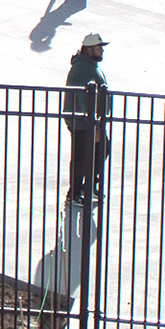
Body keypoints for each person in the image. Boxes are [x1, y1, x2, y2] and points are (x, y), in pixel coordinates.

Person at [64, 33, 111, 207]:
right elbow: (85, 98)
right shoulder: (83, 69)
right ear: (89, 49)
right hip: (84, 123)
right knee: (82, 157)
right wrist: (94, 125)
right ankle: (75, 193)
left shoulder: (90, 65)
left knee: (100, 150)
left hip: (89, 122)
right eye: (99, 47)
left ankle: (88, 186)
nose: (102, 50)